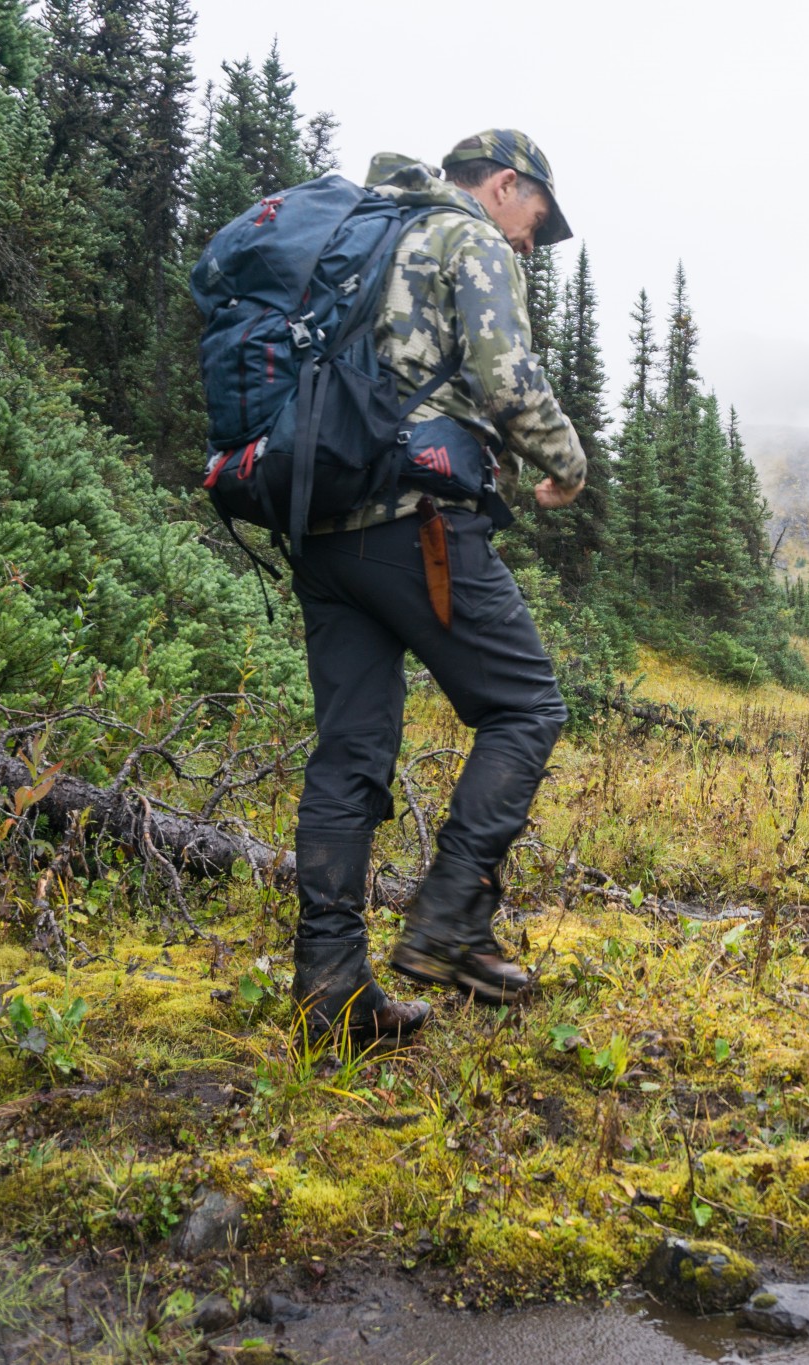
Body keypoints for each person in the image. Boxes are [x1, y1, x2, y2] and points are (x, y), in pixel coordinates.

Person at [286, 130, 585, 1045]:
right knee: (526, 706)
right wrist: (567, 463)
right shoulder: (468, 238)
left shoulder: (368, 235)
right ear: (505, 186)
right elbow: (505, 373)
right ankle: (448, 918)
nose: (533, 242)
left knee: (348, 754)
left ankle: (333, 988)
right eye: (537, 220)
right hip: (412, 513)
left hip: (321, 518)